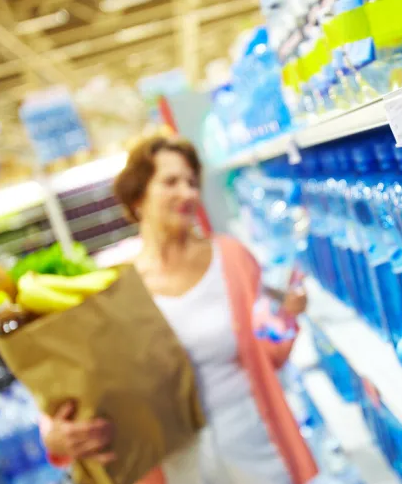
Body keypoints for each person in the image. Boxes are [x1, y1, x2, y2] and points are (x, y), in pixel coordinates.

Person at [40, 136, 318, 484]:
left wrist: (288, 316)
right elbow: (80, 378)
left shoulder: (231, 259)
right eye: (171, 182)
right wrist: (54, 431)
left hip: (258, 448)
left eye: (191, 182)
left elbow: (269, 350)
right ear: (138, 195)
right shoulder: (115, 288)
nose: (187, 193)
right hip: (177, 468)